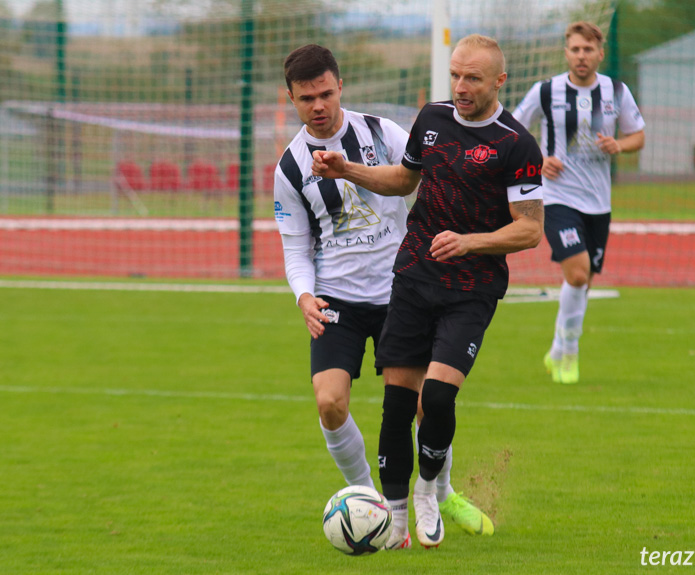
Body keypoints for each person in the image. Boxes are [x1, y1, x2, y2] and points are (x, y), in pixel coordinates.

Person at [311, 34, 544, 548]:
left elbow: (529, 229)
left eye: (473, 79)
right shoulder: (432, 119)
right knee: (397, 404)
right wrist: (346, 167)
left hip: (473, 286)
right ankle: (393, 518)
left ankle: (427, 490)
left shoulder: (516, 144)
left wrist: (470, 242)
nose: (460, 87)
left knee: (437, 397)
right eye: (456, 75)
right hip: (415, 275)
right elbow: (403, 179)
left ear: (499, 82)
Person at [274, 44, 493, 551]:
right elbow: (295, 248)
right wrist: (304, 296)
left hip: (402, 290)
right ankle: (372, 502)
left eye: (326, 93)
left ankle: (443, 492)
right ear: (291, 98)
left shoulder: (382, 133)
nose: (319, 105)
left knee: (423, 407)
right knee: (329, 402)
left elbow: (422, 179)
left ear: (340, 86)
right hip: (336, 300)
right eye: (307, 98)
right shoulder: (289, 168)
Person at [513, 21, 646, 385]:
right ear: (567, 52)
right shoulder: (546, 91)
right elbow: (512, 131)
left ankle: (557, 348)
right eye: (575, 49)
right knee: (577, 272)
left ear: (600, 53)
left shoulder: (617, 92)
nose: (581, 56)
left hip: (598, 202)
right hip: (556, 197)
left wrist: (620, 145)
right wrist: (539, 158)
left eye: (588, 49)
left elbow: (638, 135)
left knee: (583, 282)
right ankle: (570, 352)